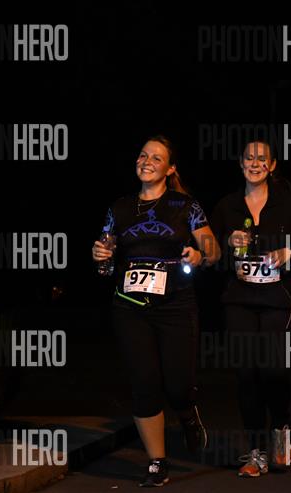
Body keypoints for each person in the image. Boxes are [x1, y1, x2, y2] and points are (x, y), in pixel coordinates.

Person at [91, 135, 220, 487]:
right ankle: (156, 462)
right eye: (143, 155)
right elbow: (104, 257)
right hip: (130, 307)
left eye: (157, 158)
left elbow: (213, 250)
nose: (147, 161)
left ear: (170, 168)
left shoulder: (185, 205)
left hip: (176, 305)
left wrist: (200, 254)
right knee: (144, 383)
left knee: (178, 385)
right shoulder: (119, 208)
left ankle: (187, 412)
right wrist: (99, 255)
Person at [210, 140, 291, 477]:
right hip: (239, 299)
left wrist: (288, 253)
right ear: (241, 163)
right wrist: (227, 244)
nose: (254, 164)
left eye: (261, 159)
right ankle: (256, 453)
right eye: (249, 158)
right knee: (246, 374)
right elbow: (209, 255)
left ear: (272, 165)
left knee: (273, 370)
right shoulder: (226, 205)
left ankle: (281, 428)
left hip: (279, 300)